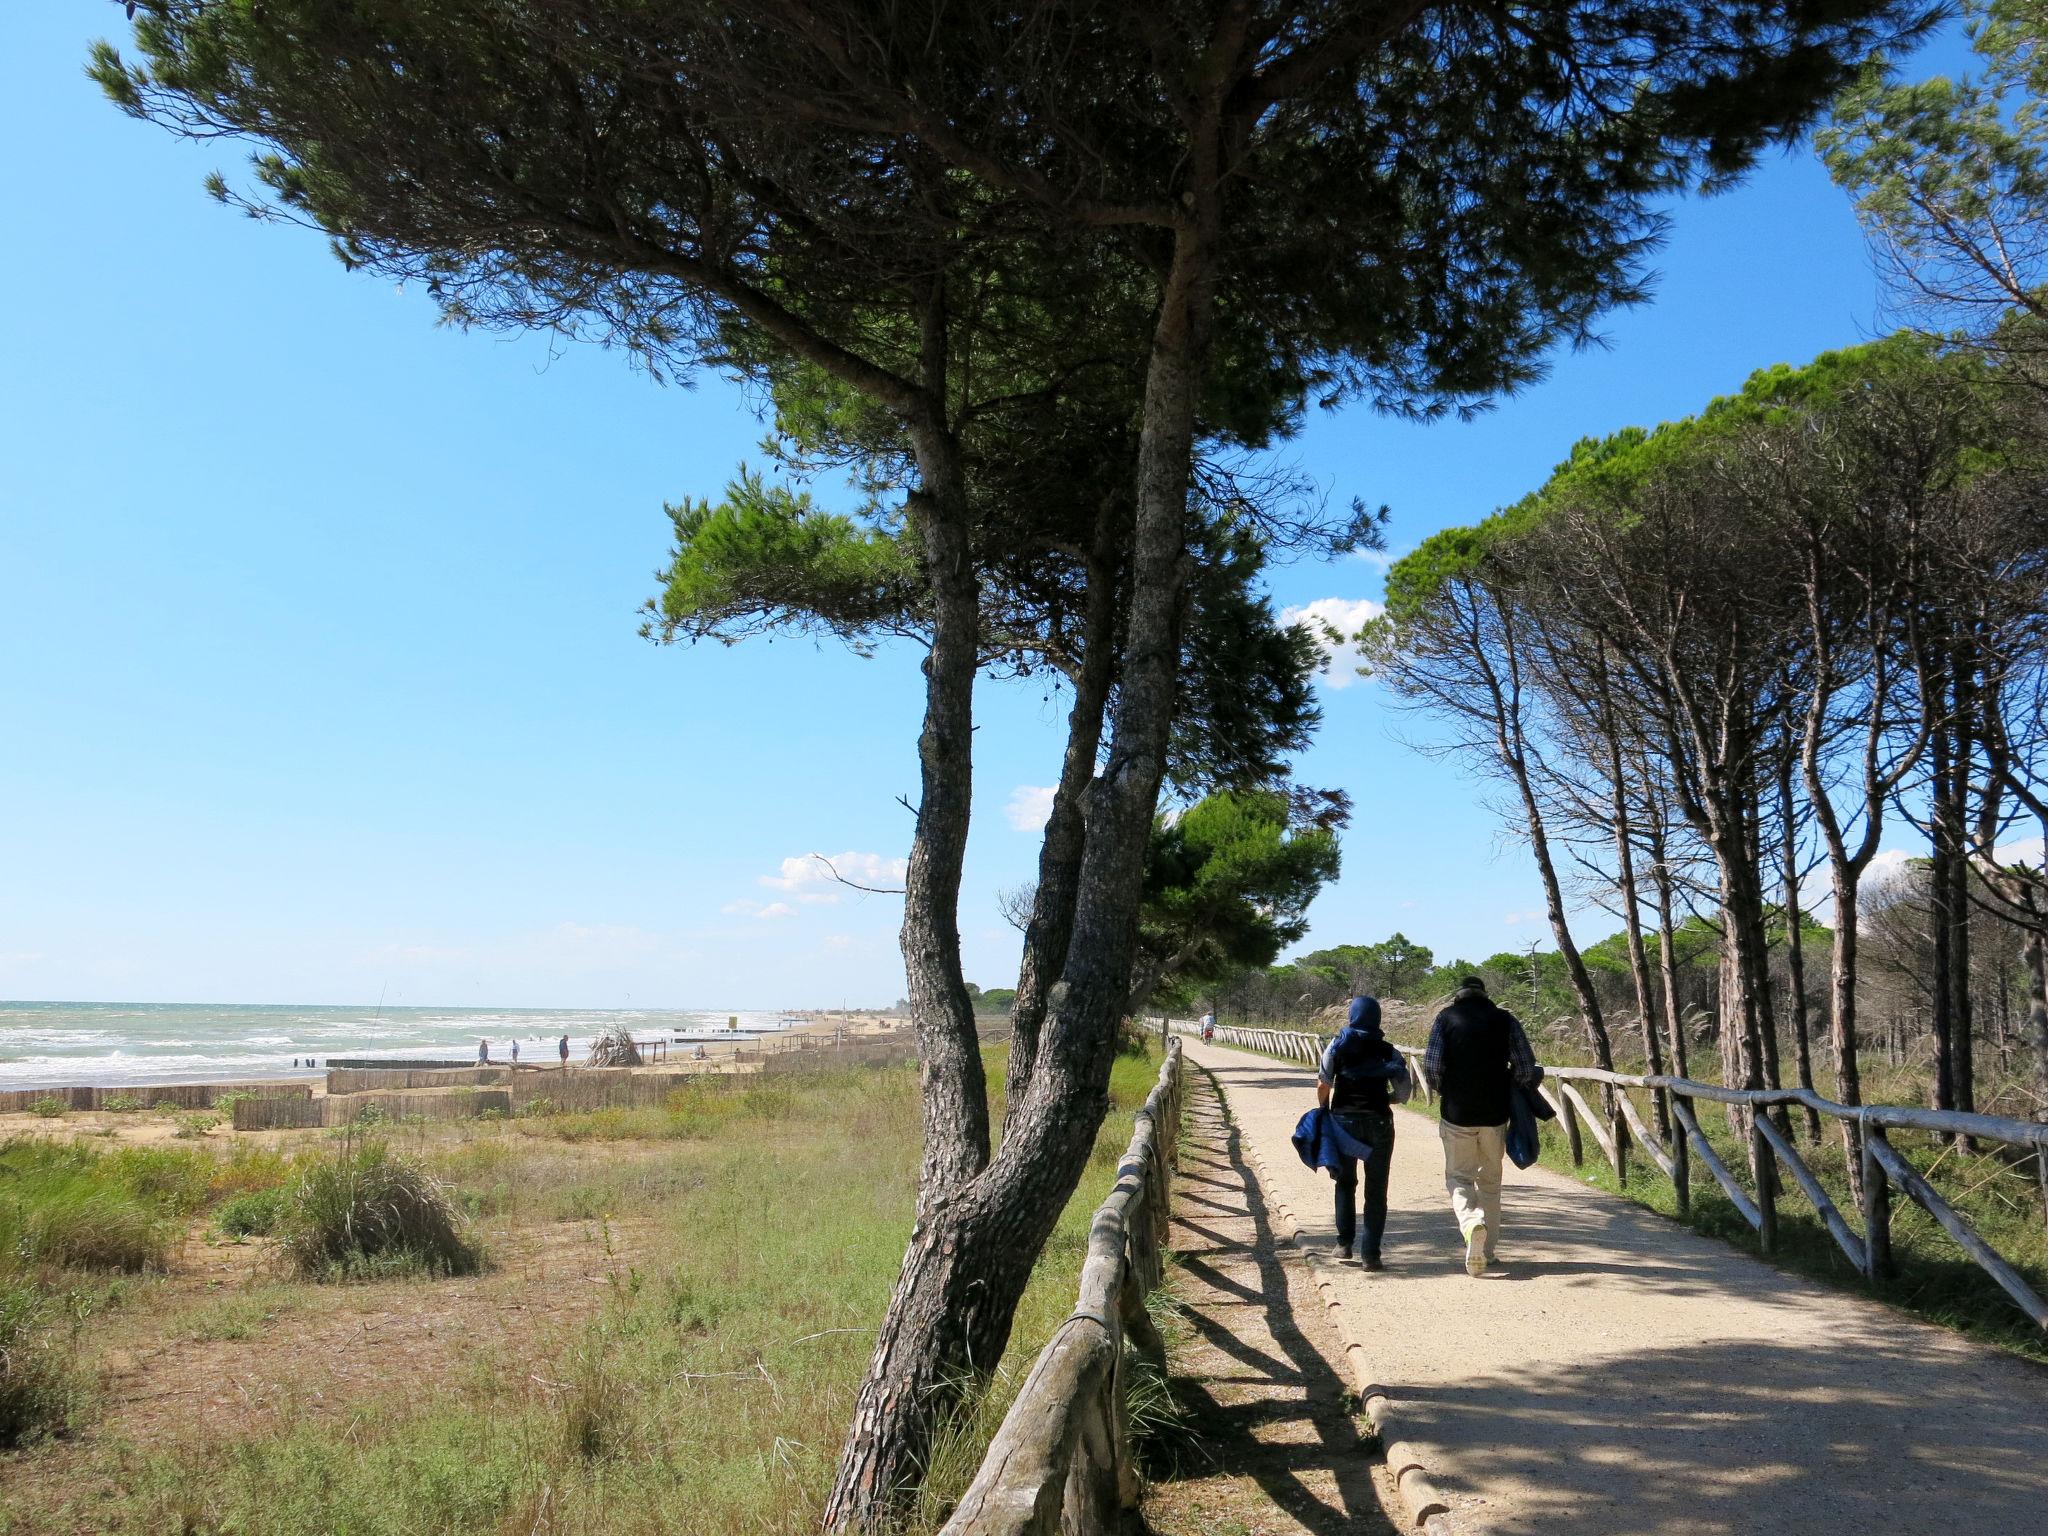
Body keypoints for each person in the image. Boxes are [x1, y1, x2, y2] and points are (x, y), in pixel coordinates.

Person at [1421, 976, 1543, 1276]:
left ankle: (1471, 1223)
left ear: (1459, 996)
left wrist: (1447, 1090)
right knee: (1490, 1182)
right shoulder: (1505, 1020)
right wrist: (1510, 1086)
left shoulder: (1445, 1018)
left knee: (1459, 1178)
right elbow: (1526, 1067)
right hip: (1495, 1114)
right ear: (1485, 995)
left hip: (1456, 1113)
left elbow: (1432, 1066)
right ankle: (1487, 1253)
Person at [1316, 995, 1409, 1269]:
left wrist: (1324, 1109)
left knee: (1345, 1183)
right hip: (1379, 1122)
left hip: (1344, 1122)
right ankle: (1371, 1254)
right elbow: (1404, 1092)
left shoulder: (1337, 1044)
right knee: (1376, 1190)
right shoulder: (1388, 1050)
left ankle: (1344, 1244)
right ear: (1377, 1018)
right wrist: (1386, 1098)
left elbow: (1324, 1083)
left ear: (1352, 1016)